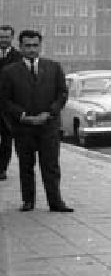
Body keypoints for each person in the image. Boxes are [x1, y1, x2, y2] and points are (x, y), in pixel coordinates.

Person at [0, 30, 71, 212]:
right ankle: (28, 201)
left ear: (40, 46)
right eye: (27, 46)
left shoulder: (54, 67)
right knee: (26, 165)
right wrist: (23, 116)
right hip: (23, 127)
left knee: (51, 165)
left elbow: (62, 94)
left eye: (35, 45)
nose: (32, 50)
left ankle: (55, 202)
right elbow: (4, 100)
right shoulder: (9, 72)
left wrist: (49, 113)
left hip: (48, 126)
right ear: (21, 46)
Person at [0, 24, 22, 181]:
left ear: (11, 38)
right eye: (1, 37)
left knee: (6, 138)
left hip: (7, 106)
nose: (3, 40)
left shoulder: (18, 57)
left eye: (6, 37)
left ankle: (2, 168)